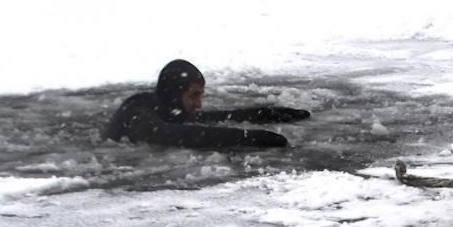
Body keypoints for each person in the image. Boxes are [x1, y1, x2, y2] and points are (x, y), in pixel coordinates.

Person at [103, 60, 310, 148]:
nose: (199, 104)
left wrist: (269, 113)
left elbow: (219, 117)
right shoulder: (139, 114)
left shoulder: (167, 108)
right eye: (194, 96)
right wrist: (250, 137)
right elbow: (181, 135)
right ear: (175, 93)